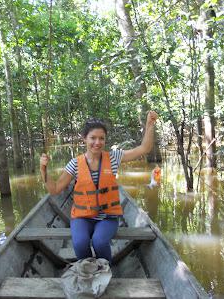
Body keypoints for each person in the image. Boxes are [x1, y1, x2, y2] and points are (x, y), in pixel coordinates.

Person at [40, 111, 158, 263]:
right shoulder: (75, 164)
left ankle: (105, 270)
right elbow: (54, 189)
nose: (97, 142)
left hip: (107, 217)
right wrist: (43, 169)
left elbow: (143, 149)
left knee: (99, 242)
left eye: (101, 138)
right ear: (84, 139)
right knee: (80, 244)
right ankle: (87, 269)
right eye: (93, 138)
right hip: (82, 217)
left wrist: (149, 124)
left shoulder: (114, 157)